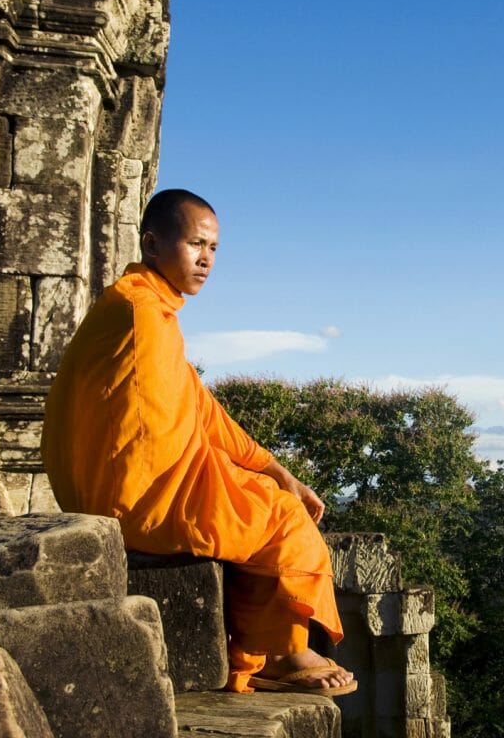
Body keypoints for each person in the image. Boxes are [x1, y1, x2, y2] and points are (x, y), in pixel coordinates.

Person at [41, 189, 355, 696]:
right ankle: (279, 655)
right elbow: (160, 429)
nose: (206, 259)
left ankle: (260, 647)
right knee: (284, 518)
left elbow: (197, 408)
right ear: (153, 243)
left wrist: (276, 469)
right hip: (135, 498)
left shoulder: (144, 307)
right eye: (194, 244)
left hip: (111, 487)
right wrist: (257, 482)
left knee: (266, 495)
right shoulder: (138, 313)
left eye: (213, 247)